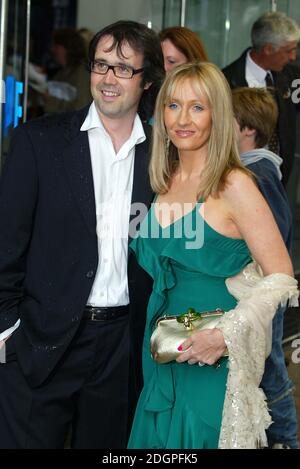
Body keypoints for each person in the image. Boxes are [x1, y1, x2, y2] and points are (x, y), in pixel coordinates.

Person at [0, 20, 165, 449]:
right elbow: (6, 244)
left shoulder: (163, 157)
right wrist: (8, 334)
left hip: (122, 347)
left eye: (124, 69)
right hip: (40, 342)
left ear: (146, 81)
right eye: (100, 65)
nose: (108, 79)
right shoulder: (39, 141)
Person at [127, 62, 298, 449]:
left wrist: (224, 336)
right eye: (173, 105)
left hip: (214, 360)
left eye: (198, 107)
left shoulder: (234, 184)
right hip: (163, 349)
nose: (182, 119)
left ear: (217, 115)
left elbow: (281, 277)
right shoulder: (163, 179)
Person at [232, 86, 298, 448]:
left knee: (270, 367)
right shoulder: (257, 170)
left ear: (247, 129)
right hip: (258, 291)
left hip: (262, 292)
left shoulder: (258, 174)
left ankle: (285, 438)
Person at [222, 11, 300, 185]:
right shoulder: (226, 81)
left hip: (279, 178)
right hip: (237, 178)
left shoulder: (292, 77)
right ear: (268, 49)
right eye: (289, 51)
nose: (293, 57)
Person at [43, 28, 92, 113]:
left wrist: (51, 101)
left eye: (56, 46)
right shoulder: (60, 74)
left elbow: (81, 107)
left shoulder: (82, 74)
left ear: (66, 48)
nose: (52, 50)